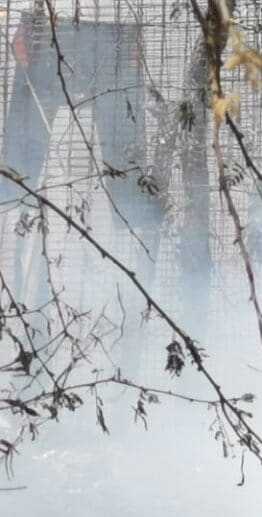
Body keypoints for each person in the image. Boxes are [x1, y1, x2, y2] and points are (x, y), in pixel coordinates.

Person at [2, 0, 168, 296]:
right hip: (51, 27)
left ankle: (130, 299)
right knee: (17, 180)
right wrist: (25, 19)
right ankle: (21, 298)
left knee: (127, 183)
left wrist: (137, 29)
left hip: (113, 28)